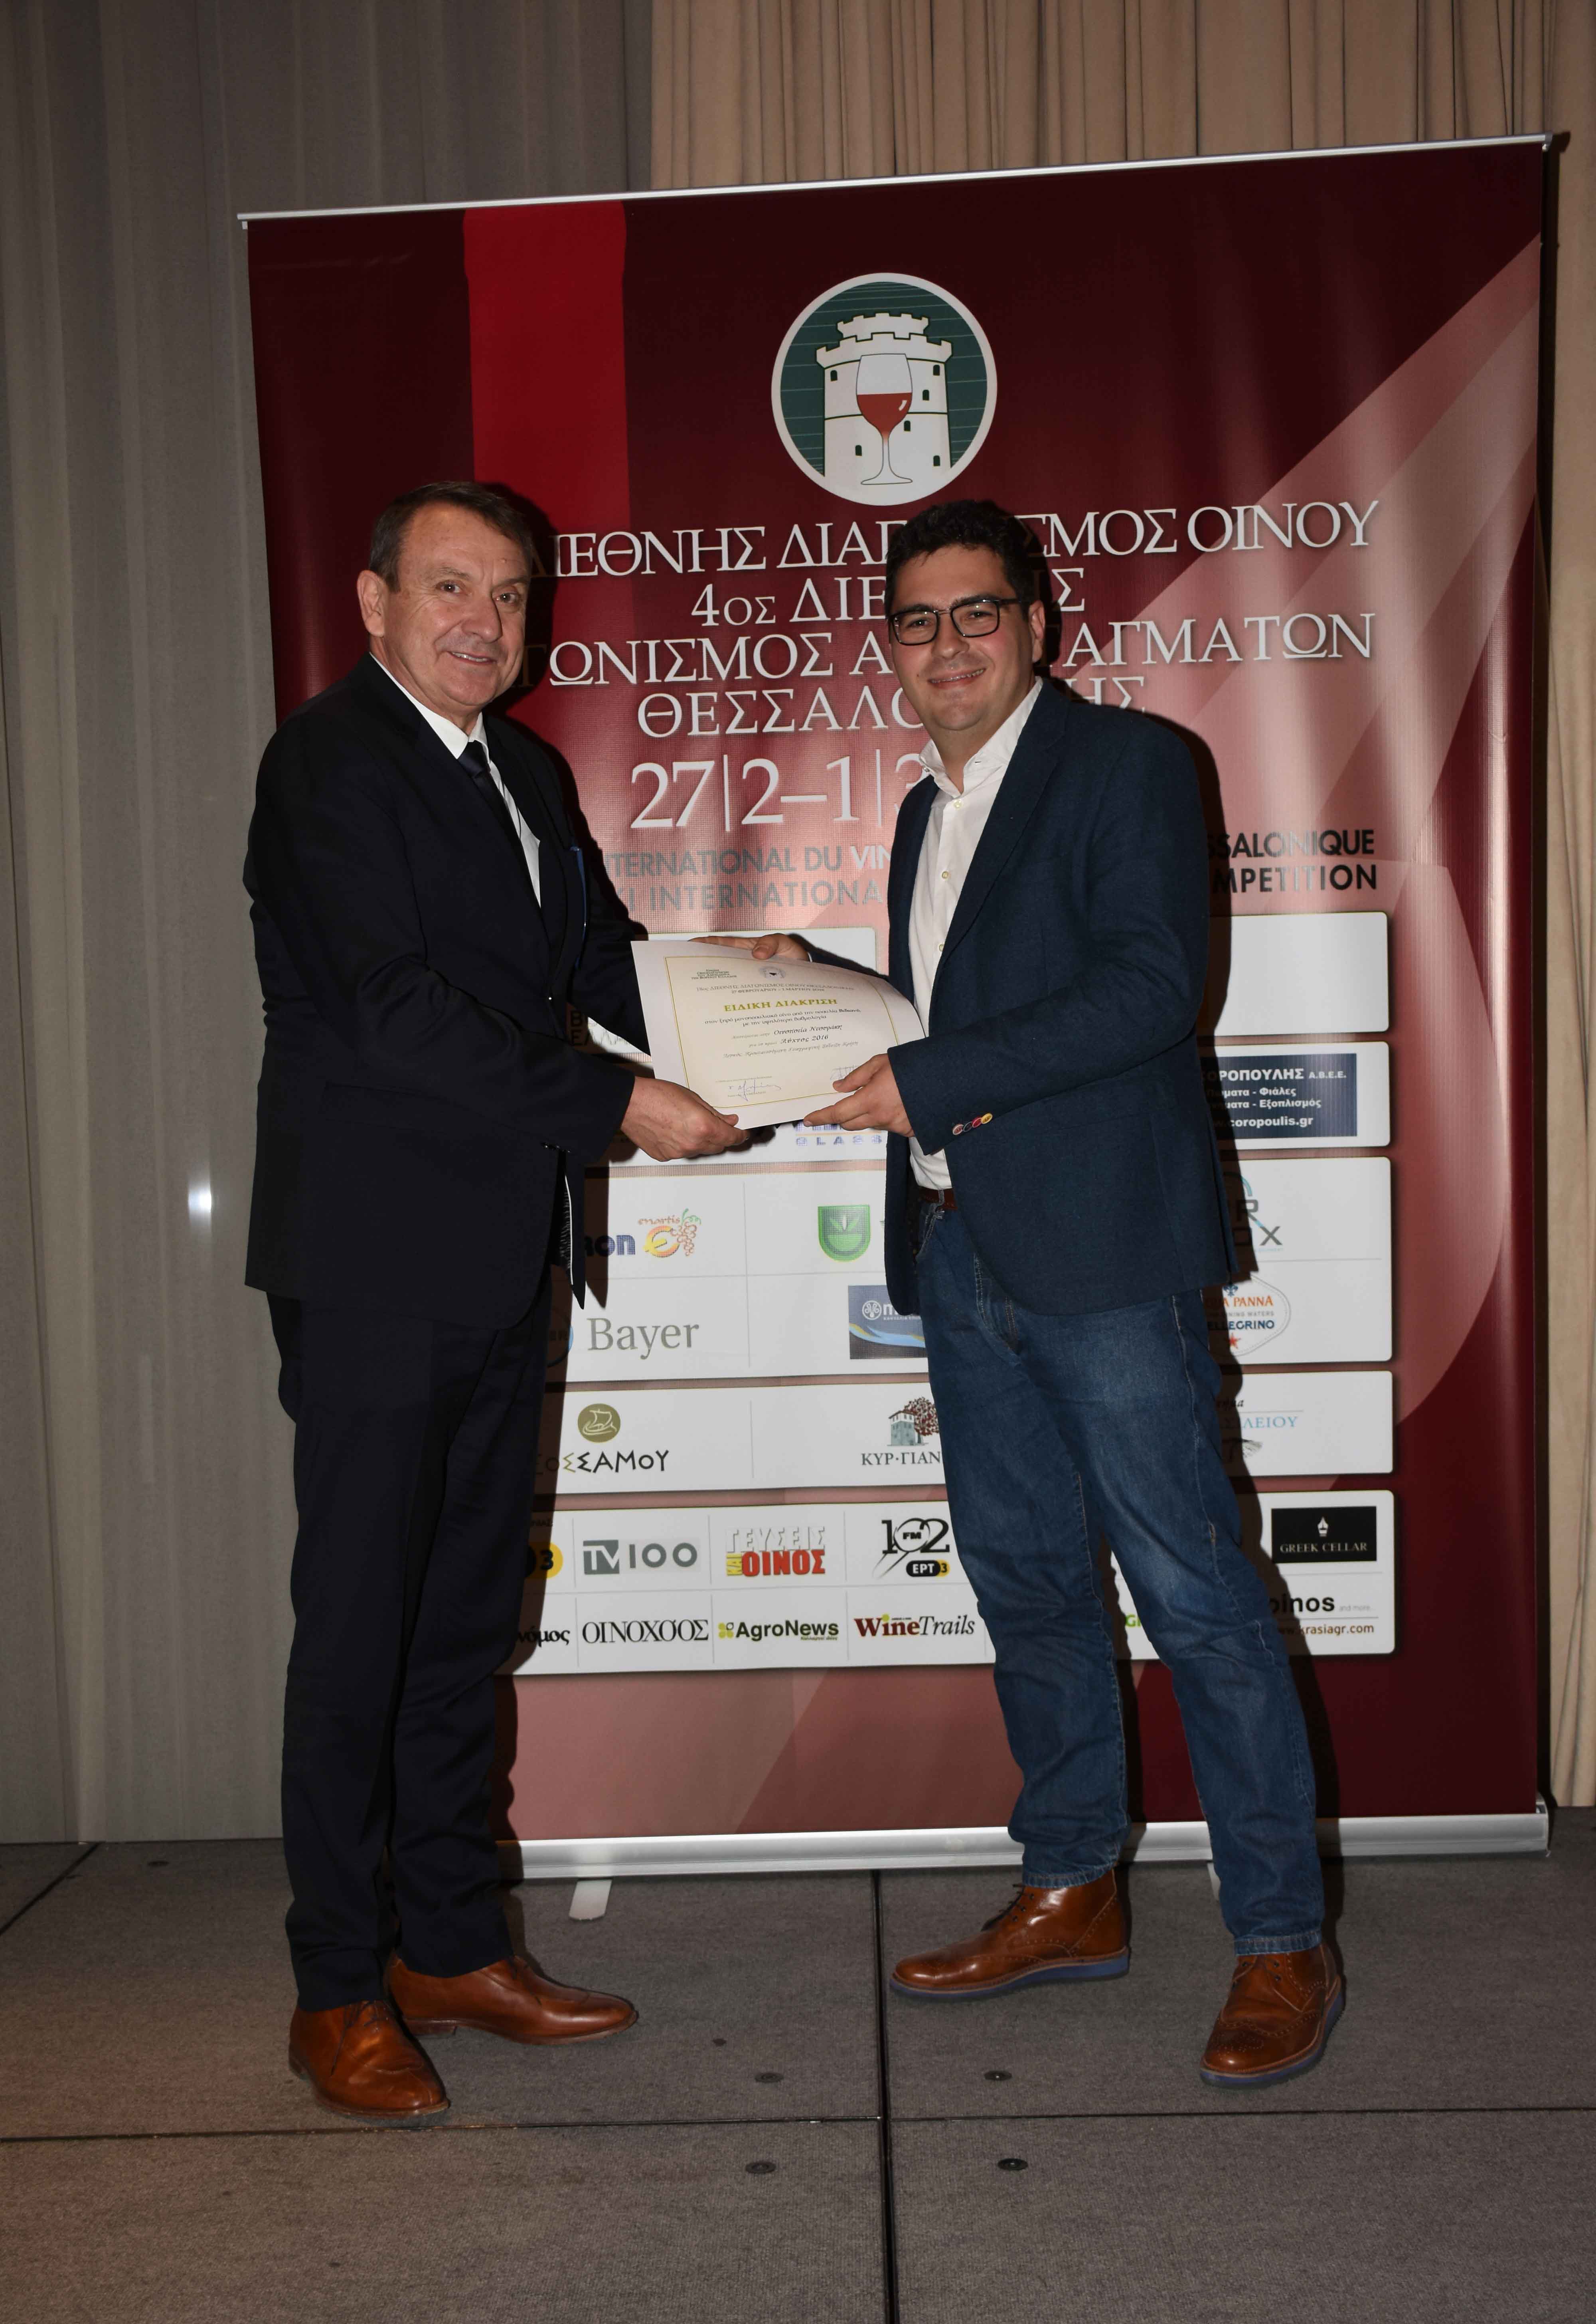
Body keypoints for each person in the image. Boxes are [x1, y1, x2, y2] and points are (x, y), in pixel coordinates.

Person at [790, 496, 1340, 2087]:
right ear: (891, 648)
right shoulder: (923, 811)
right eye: (917, 620)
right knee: (1026, 1584)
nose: (948, 644)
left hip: (1105, 1257)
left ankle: (1280, 1938)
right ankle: (1071, 1886)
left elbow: (1153, 987)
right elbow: (959, 1012)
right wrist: (814, 1003)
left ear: (1037, 624)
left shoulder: (1129, 765)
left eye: (979, 612)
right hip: (962, 1251)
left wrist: (927, 1073)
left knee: (1196, 1597)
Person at [245, 480, 743, 2121]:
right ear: (374, 600)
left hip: (502, 1253)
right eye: (451, 587)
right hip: (374, 1263)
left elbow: (597, 963)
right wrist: (616, 1104)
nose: (486, 621)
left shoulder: (525, 772)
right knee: (362, 1629)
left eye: (512, 595)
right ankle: (337, 1985)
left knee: (463, 1621)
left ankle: (450, 1946)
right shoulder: (328, 763)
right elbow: (393, 1008)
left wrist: (768, 1009)